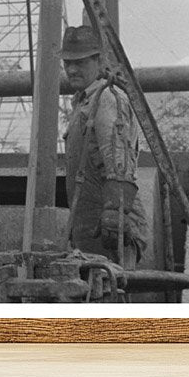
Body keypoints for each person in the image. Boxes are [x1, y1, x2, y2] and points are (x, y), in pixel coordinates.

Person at [61, 25, 149, 269]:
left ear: (98, 61)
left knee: (110, 296)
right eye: (68, 62)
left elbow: (118, 159)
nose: (72, 69)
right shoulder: (84, 102)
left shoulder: (107, 97)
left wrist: (115, 213)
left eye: (80, 62)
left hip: (112, 228)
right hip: (92, 228)